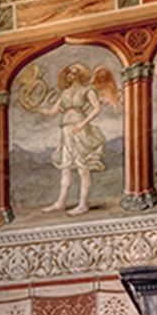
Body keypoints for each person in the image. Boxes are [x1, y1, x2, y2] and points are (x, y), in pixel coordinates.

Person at [36, 63, 114, 215]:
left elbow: (97, 108)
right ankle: (60, 203)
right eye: (69, 73)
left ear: (80, 75)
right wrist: (37, 109)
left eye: (73, 72)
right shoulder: (64, 93)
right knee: (65, 168)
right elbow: (52, 112)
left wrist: (82, 123)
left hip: (80, 130)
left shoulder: (87, 90)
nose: (69, 75)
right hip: (67, 131)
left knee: (82, 168)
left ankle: (83, 204)